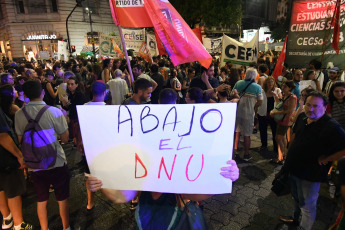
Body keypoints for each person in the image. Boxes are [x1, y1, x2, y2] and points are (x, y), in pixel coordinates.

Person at [85, 87, 240, 230]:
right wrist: (102, 182)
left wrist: (223, 176)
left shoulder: (177, 167)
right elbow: (124, 195)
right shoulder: (142, 167)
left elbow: (193, 194)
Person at [279, 91, 345, 230]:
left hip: (310, 175)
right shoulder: (303, 116)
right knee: (296, 199)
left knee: (307, 206)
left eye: (315, 106)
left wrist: (327, 158)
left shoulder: (331, 127)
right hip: (293, 168)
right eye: (308, 105)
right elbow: (295, 133)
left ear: (325, 107)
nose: (310, 109)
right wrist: (289, 150)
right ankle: (296, 220)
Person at [15, 80, 70, 230]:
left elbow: (21, 140)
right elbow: (65, 138)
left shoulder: (19, 114)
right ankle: (66, 227)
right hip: (56, 161)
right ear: (43, 92)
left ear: (25, 95)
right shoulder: (54, 111)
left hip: (34, 164)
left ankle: (44, 228)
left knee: (41, 199)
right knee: (62, 197)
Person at [0, 85, 32, 230]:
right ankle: (19, 224)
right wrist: (19, 156)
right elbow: (3, 136)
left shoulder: (7, 109)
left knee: (1, 189)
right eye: (13, 91)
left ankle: (7, 219)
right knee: (13, 190)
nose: (16, 92)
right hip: (6, 158)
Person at [232, 68, 263, 161]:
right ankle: (246, 154)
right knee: (247, 134)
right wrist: (254, 106)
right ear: (254, 76)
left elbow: (233, 93)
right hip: (249, 113)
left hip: (237, 112)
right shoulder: (257, 87)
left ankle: (235, 151)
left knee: (236, 132)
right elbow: (260, 101)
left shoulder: (238, 83)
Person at [270, 80, 297, 164]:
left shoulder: (292, 97)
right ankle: (283, 155)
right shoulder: (285, 95)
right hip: (282, 119)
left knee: (278, 137)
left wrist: (275, 113)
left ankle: (281, 157)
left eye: (285, 86)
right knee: (282, 137)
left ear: (290, 88)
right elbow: (281, 104)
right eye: (283, 86)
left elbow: (289, 111)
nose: (282, 87)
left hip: (286, 120)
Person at [257, 77, 281, 153]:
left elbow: (280, 102)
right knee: (263, 130)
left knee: (275, 132)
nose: (270, 83)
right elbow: (258, 101)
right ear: (266, 84)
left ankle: (275, 147)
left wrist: (275, 95)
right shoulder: (262, 91)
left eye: (272, 82)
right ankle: (264, 145)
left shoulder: (277, 90)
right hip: (263, 113)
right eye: (268, 82)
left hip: (273, 114)